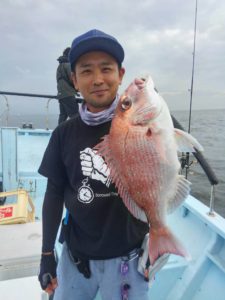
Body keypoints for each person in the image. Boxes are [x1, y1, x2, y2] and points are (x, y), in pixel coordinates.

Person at [38, 29, 150, 300]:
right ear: (74, 80)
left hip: (131, 258)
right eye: (87, 71)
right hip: (76, 258)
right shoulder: (64, 134)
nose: (98, 79)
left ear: (121, 75)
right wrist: (46, 254)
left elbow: (160, 180)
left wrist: (156, 240)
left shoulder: (141, 126)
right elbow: (54, 194)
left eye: (106, 69)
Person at [56, 47, 79, 124]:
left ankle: (59, 134)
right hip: (68, 94)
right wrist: (78, 88)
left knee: (63, 116)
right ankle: (76, 134)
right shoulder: (68, 65)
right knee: (75, 116)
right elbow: (72, 79)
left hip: (61, 95)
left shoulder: (60, 67)